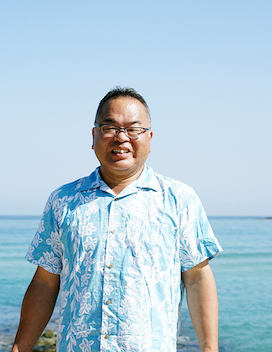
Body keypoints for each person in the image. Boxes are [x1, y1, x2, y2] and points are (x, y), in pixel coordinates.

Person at [11, 87, 222, 352]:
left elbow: (197, 277)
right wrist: (20, 347)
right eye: (109, 127)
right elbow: (45, 282)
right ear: (94, 136)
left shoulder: (179, 199)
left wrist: (210, 348)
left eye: (133, 129)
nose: (121, 137)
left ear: (149, 138)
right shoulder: (63, 200)